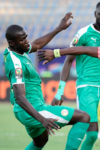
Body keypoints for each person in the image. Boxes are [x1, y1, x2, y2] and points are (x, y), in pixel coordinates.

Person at [4, 13, 90, 150]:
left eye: (26, 38)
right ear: (12, 43)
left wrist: (59, 28)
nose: (27, 42)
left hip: (27, 110)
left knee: (40, 141)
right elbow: (20, 97)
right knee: (84, 117)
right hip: (32, 110)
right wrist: (41, 118)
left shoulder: (19, 50)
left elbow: (37, 44)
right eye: (23, 40)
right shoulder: (15, 63)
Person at [52, 1, 100, 150]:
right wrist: (59, 91)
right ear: (95, 14)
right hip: (87, 87)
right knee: (91, 135)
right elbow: (68, 60)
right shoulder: (83, 33)